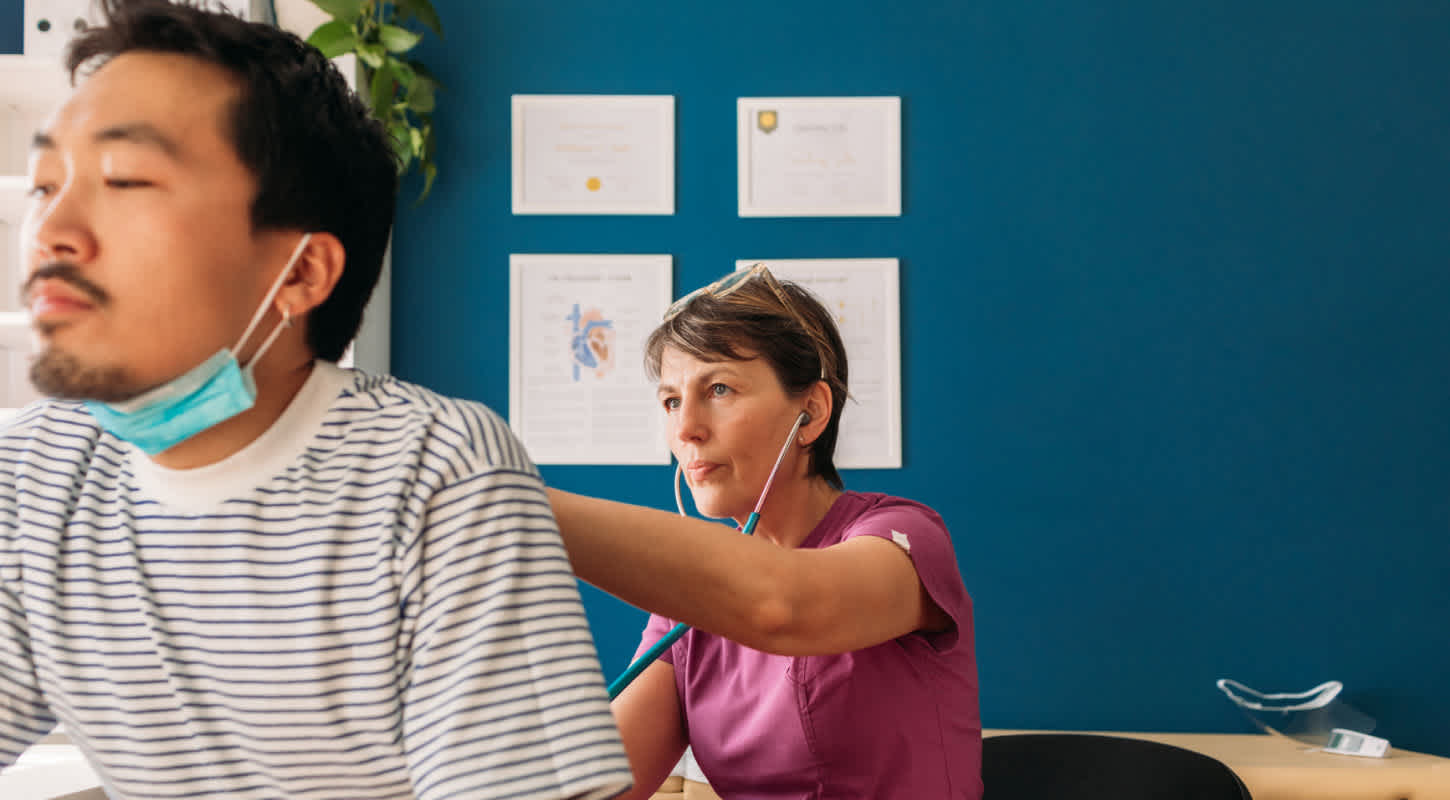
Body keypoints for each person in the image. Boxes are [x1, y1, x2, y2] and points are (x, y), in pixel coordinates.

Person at [0, 2, 632, 799]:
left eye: (125, 180)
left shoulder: (437, 474)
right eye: (46, 183)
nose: (52, 230)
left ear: (300, 274)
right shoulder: (34, 473)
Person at [549, 264, 983, 799]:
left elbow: (783, 605)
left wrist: (518, 509)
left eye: (720, 388)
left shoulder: (904, 539)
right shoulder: (686, 606)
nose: (685, 428)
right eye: (670, 401)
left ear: (811, 413)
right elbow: (599, 784)